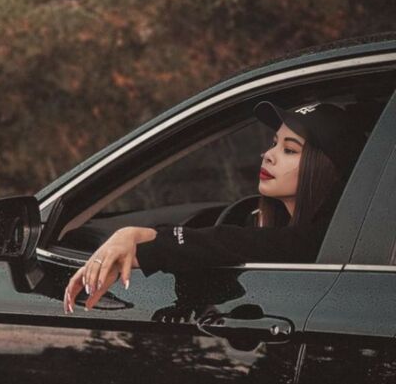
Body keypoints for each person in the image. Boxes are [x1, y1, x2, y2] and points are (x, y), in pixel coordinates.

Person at [63, 100, 367, 314]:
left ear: (326, 169)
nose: (268, 155)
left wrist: (145, 240)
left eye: (289, 150)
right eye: (274, 143)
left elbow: (240, 243)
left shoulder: (324, 240)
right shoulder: (274, 224)